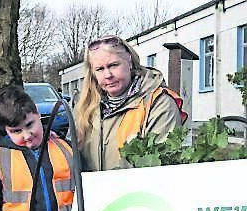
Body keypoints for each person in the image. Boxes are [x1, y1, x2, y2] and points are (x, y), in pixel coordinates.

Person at [75, 35, 187, 171]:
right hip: (93, 192)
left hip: (137, 192)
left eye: (113, 65)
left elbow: (160, 168)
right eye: (100, 69)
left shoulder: (158, 104)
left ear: (129, 62)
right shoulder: (85, 108)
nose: (108, 75)